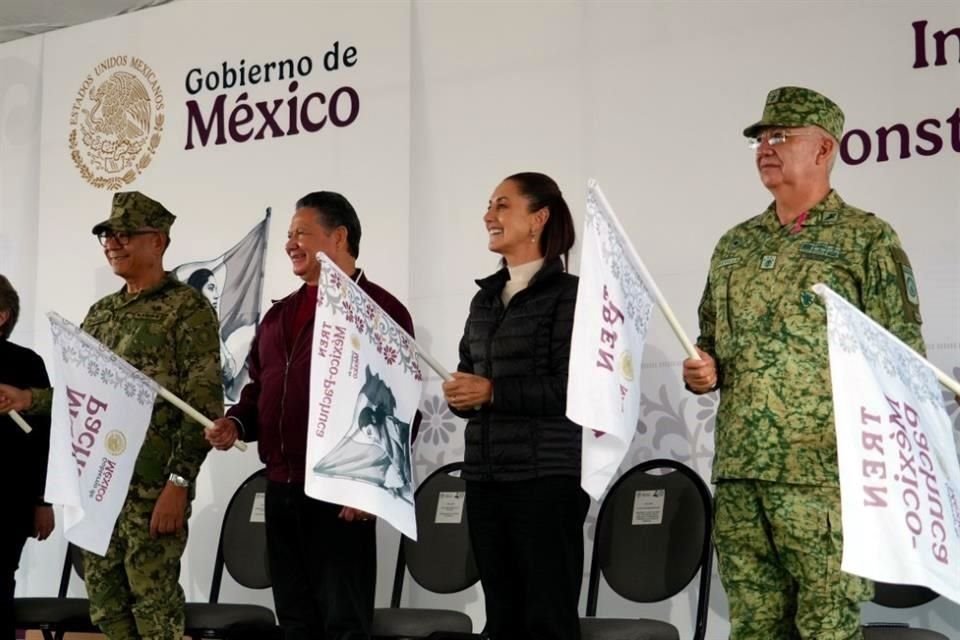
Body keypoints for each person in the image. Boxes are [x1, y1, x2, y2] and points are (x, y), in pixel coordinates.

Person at [682, 87, 926, 639]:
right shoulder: (734, 245)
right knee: (753, 627)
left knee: (826, 629)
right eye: (761, 139)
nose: (766, 148)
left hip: (826, 478)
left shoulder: (866, 239)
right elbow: (709, 342)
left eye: (781, 137)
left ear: (823, 150)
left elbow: (903, 358)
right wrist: (701, 369)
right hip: (741, 472)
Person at [0, 191, 223, 640]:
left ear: (157, 241)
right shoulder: (101, 314)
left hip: (151, 490)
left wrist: (178, 484)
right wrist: (30, 400)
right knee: (107, 611)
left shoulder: (187, 308)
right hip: (99, 489)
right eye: (106, 235)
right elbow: (82, 397)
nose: (112, 243)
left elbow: (202, 408)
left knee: (154, 610)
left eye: (125, 234)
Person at [204, 191, 418, 640]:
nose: (290, 244)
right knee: (296, 620)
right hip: (281, 487)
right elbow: (260, 388)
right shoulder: (279, 315)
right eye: (288, 235)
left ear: (338, 236)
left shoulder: (380, 311)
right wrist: (237, 422)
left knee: (343, 622)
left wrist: (369, 489)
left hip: (342, 495)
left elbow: (398, 410)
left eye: (302, 232)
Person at [442, 172, 587, 640]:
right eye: (489, 205)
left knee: (547, 620)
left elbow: (574, 391)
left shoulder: (572, 296)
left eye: (502, 205)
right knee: (501, 620)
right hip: (486, 479)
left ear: (538, 218)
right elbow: (471, 373)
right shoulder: (483, 299)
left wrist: (492, 392)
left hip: (545, 482)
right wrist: (462, 397)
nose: (489, 215)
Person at [0, 275, 55, 640]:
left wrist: (43, 501)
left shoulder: (25, 364)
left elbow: (45, 440)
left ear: (1, 315)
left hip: (8, 501)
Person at [186, 267, 240, 388]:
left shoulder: (212, 325)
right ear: (198, 290)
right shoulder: (189, 327)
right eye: (211, 288)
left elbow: (228, 369)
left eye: (216, 289)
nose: (216, 295)